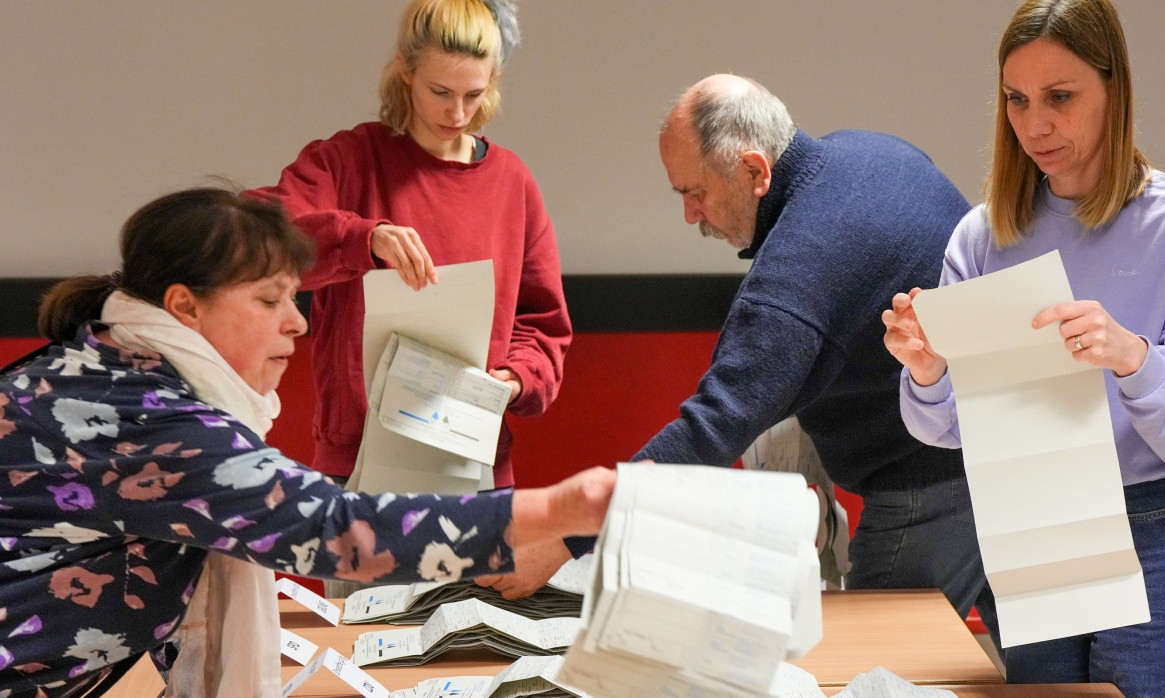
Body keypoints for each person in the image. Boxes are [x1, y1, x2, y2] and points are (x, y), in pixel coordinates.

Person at [0, 188, 614, 698]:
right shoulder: (144, 417)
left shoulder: (102, 366)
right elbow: (338, 531)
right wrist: (560, 511)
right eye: (270, 300)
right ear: (184, 307)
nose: (297, 321)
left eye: (294, 297)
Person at [496, 73, 1001, 634]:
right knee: (1039, 669)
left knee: (871, 669)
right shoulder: (875, 151)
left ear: (756, 172)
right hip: (1012, 445)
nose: (690, 214)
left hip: (934, 480)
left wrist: (566, 537)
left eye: (696, 192)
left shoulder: (795, 272)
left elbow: (709, 431)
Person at [882, 0, 1165, 694]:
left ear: (1115, 89)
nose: (1034, 124)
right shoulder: (982, 237)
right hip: (1036, 531)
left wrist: (1132, 356)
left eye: (1060, 97)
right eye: (1017, 100)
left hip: (1157, 529)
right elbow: (946, 429)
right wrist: (927, 372)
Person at [244, 0, 570, 496]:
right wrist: (362, 238)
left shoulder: (513, 183)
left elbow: (543, 325)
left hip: (473, 459)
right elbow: (256, 234)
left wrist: (515, 379)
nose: (457, 113)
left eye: (474, 94)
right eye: (440, 91)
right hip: (358, 460)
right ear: (405, 69)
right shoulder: (350, 161)